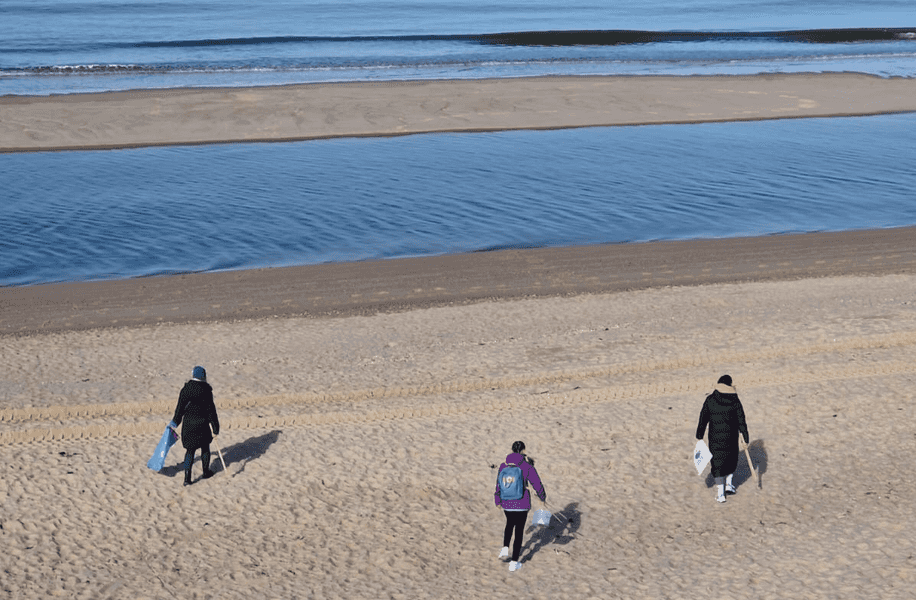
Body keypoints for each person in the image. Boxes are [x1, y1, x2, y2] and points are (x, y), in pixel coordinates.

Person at [494, 441, 546, 572]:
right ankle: (514, 562)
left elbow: (499, 484)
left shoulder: (503, 465)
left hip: (506, 502)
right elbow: (537, 483)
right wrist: (542, 497)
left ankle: (505, 548)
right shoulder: (526, 466)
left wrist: (497, 500)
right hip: (522, 503)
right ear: (523, 450)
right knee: (518, 531)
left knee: (509, 524)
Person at [696, 374, 749, 503]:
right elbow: (741, 419)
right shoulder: (735, 400)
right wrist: (745, 436)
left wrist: (699, 435)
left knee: (718, 463)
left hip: (715, 437)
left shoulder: (710, 399)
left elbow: (703, 418)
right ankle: (729, 485)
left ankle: (721, 494)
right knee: (731, 460)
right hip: (731, 437)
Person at [172, 366, 220, 486]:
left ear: (193, 375)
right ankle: (205, 472)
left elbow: (180, 408)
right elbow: (211, 411)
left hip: (188, 424)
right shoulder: (207, 391)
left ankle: (187, 479)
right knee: (205, 448)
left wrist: (175, 422)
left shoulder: (186, 389)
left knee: (190, 451)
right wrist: (215, 427)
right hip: (203, 424)